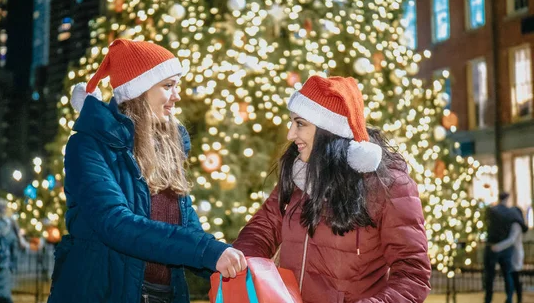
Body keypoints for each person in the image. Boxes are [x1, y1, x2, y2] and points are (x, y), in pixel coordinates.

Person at [47, 39, 246, 303]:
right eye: (168, 86)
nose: (176, 96)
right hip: (102, 292)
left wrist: (224, 257)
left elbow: (185, 222)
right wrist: (205, 250)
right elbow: (116, 223)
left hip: (164, 295)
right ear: (138, 91)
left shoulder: (167, 145)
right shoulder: (88, 145)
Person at [233, 75, 431, 302]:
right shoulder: (299, 175)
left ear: (329, 131)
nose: (290, 134)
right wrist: (248, 270)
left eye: (300, 124)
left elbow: (412, 274)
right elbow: (261, 231)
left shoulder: (389, 187)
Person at [484, 192, 527, 303]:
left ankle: (497, 299)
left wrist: (496, 247)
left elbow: (512, 239)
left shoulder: (494, 211)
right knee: (509, 275)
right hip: (508, 251)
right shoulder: (510, 215)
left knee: (496, 276)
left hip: (499, 248)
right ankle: (510, 298)